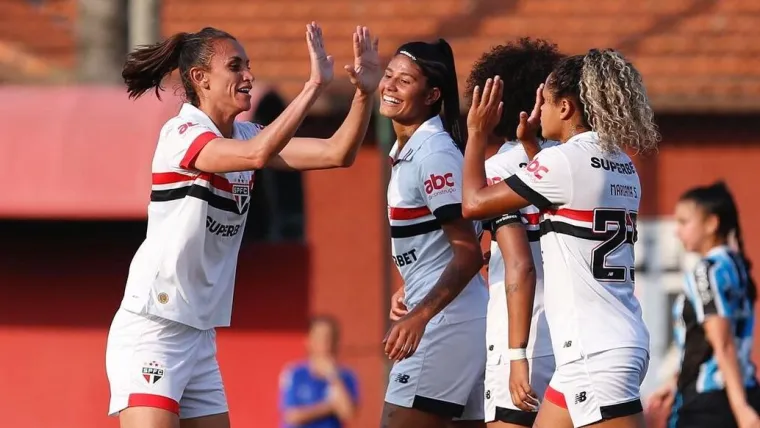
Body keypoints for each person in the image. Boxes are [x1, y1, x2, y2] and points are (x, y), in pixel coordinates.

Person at [105, 23, 382, 428]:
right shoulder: (182, 133)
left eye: (247, 66)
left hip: (200, 335)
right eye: (235, 67)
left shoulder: (247, 133)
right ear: (200, 78)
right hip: (154, 329)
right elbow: (255, 155)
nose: (247, 75)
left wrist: (364, 93)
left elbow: (338, 152)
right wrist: (313, 87)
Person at [462, 48, 661, 428]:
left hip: (595, 350)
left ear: (567, 108)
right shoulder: (622, 163)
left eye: (547, 101)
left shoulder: (563, 163)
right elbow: (567, 193)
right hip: (600, 345)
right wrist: (532, 148)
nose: (541, 110)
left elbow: (473, 203)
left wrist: (476, 133)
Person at [379, 38, 489, 428]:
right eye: (389, 75)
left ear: (433, 95)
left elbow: (468, 253)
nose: (390, 85)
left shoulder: (434, 154)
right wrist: (410, 286)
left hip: (446, 321)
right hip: (457, 315)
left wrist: (420, 315)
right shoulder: (410, 149)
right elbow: (448, 245)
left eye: (404, 81)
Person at [467, 38, 564, 428]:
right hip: (573, 339)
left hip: (523, 339)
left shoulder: (497, 171)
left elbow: (520, 267)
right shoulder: (567, 162)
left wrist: (515, 355)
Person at [646, 182, 760, 428]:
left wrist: (740, 408)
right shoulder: (737, 266)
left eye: (684, 222)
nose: (677, 231)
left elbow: (723, 342)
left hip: (710, 404)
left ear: (711, 224)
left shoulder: (706, 271)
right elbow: (705, 344)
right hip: (743, 388)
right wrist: (676, 380)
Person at [280, 315, 359, 428]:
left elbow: (348, 414)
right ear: (308, 341)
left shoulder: (346, 376)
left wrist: (333, 376)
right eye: (320, 337)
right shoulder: (295, 374)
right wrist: (329, 407)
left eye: (330, 338)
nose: (326, 343)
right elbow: (291, 416)